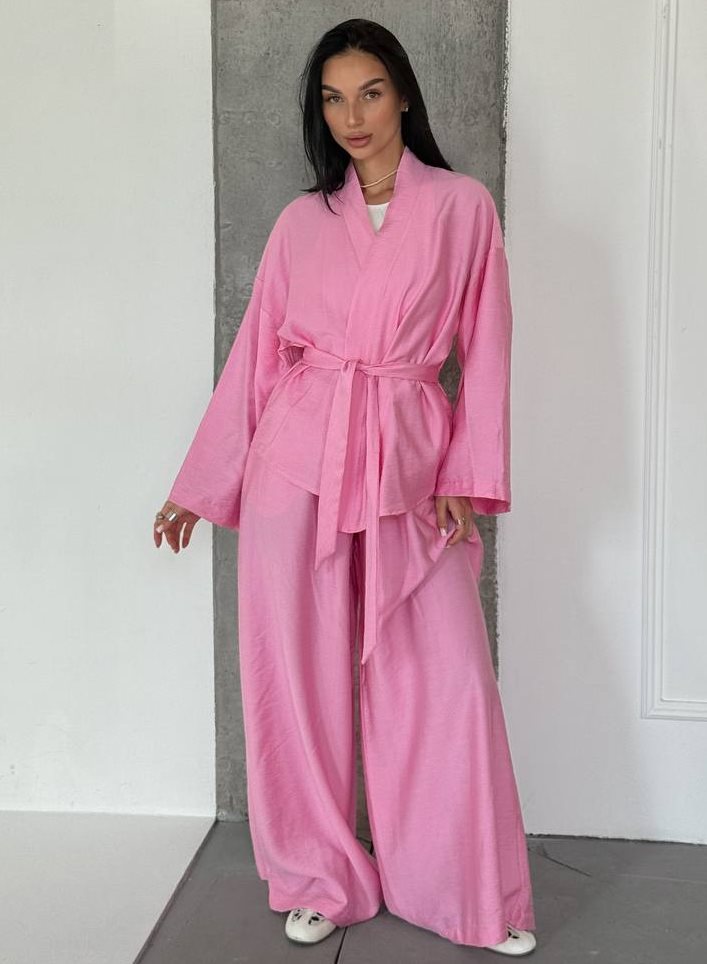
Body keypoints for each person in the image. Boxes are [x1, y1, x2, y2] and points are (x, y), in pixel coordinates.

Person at [154, 18, 537, 958]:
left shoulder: (461, 208)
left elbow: (486, 348)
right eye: (332, 98)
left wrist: (466, 472)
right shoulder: (301, 223)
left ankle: (463, 888)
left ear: (403, 94)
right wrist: (199, 485)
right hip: (296, 460)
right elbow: (256, 357)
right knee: (296, 677)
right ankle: (318, 876)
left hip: (409, 463)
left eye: (369, 92)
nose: (351, 115)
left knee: (443, 672)